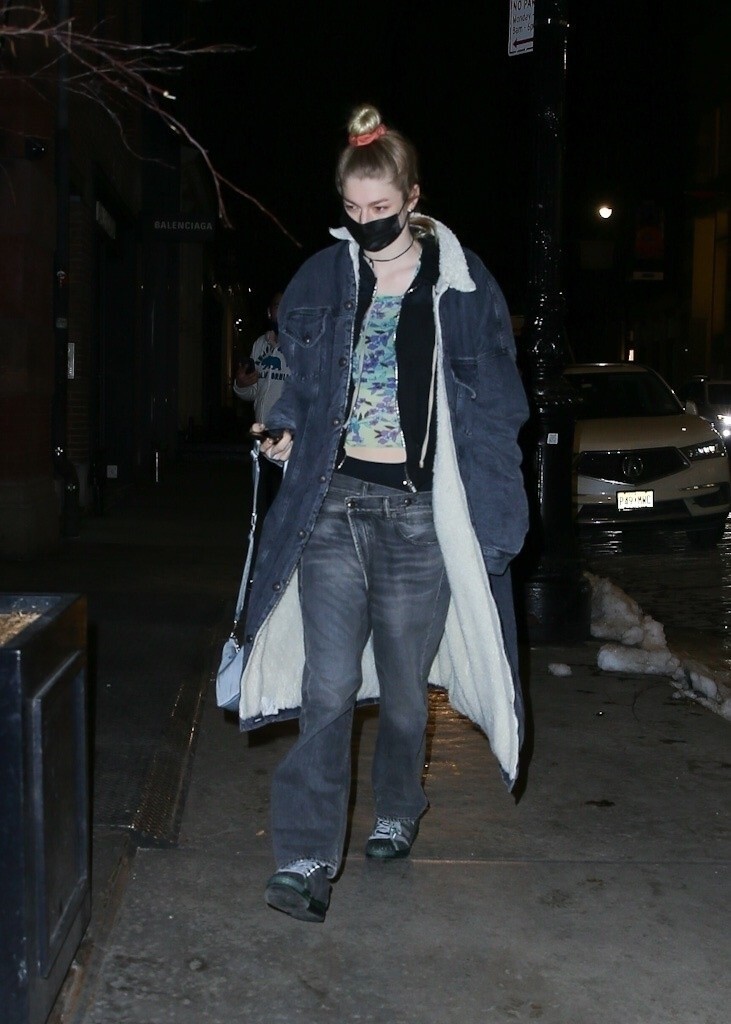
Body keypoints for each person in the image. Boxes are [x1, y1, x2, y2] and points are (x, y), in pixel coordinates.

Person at [229, 103, 530, 923]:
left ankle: (398, 805)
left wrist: (500, 524)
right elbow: (299, 384)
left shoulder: (461, 286)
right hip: (330, 508)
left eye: (381, 207)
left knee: (402, 694)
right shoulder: (321, 280)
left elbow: (497, 411)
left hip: (417, 516)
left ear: (412, 197)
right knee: (326, 686)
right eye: (351, 209)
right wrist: (286, 432)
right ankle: (304, 858)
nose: (365, 223)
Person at [233, 291, 290, 514]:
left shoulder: (303, 347)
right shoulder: (260, 345)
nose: (282, 310)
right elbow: (254, 392)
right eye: (277, 305)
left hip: (289, 438)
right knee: (262, 502)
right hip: (262, 435)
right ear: (269, 312)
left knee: (285, 504)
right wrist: (241, 383)